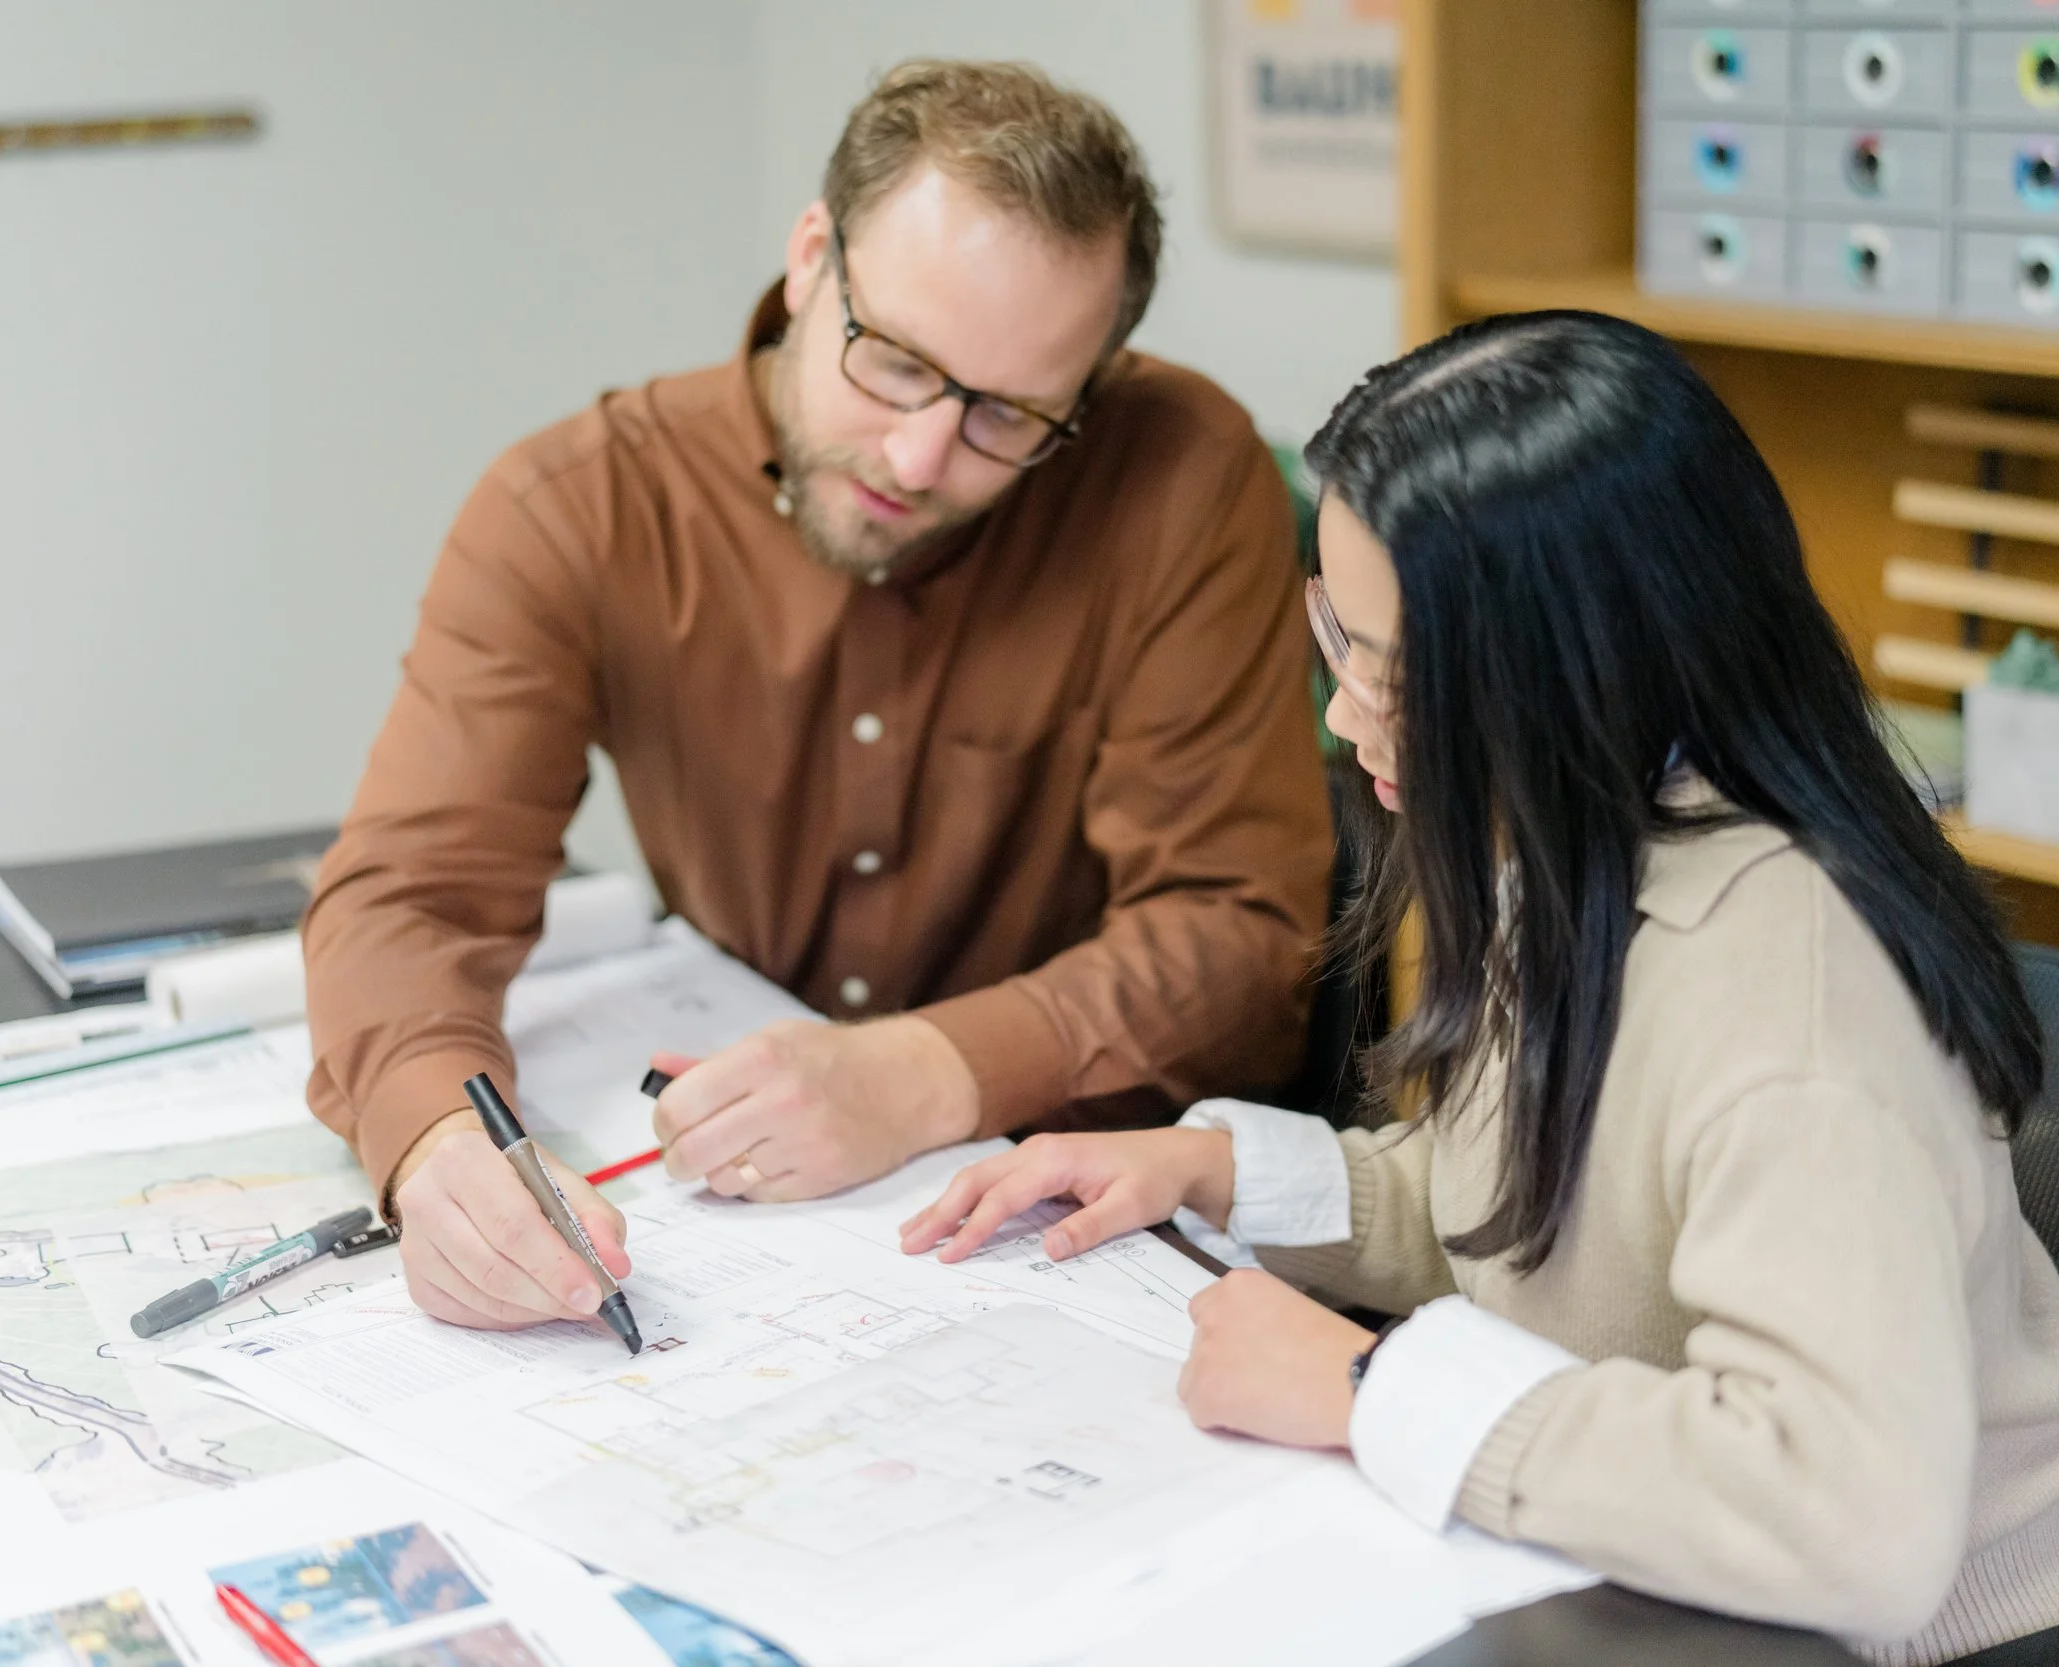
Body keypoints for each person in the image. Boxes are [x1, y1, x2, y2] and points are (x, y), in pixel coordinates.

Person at [901, 312, 2059, 1664]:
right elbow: (1533, 1230)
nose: (1340, 711)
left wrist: (1372, 1387)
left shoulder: (1800, 1007)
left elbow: (1850, 1520)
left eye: (1395, 670)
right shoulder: (1580, 829)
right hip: (1646, 1589)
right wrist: (1210, 1172)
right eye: (1335, 630)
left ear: (1569, 675)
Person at [302, 61, 1330, 1335]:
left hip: (1069, 1234)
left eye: (1009, 416)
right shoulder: (579, 506)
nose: (919, 455)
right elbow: (411, 890)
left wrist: (924, 1069)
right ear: (808, 261)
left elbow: (1240, 935)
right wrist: (434, 1142)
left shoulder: (1179, 474)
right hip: (735, 1222)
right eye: (893, 361)